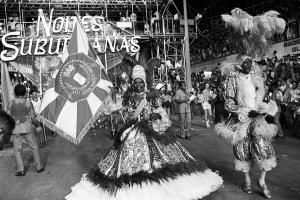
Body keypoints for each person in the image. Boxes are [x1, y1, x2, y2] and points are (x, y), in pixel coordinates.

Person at [65, 65, 223, 200]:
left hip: (152, 132)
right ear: (133, 83)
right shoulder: (127, 98)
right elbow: (111, 110)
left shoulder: (152, 97)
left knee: (164, 164)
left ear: (144, 83)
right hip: (131, 134)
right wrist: (109, 96)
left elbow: (162, 114)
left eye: (141, 82)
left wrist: (157, 115)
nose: (138, 85)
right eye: (136, 82)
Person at [215, 57, 278, 199]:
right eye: (245, 62)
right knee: (243, 151)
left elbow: (259, 99)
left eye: (250, 62)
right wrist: (245, 111)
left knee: (264, 148)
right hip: (242, 120)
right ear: (239, 64)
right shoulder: (233, 79)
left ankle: (261, 180)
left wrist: (264, 108)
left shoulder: (256, 79)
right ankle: (247, 182)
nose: (248, 65)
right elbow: (228, 103)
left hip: (257, 120)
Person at [7, 84, 45, 176]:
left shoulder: (11, 103)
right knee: (34, 147)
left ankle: (20, 170)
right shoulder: (28, 102)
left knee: (17, 150)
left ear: (15, 93)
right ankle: (39, 167)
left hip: (16, 129)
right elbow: (33, 116)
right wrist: (37, 126)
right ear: (25, 93)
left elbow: (8, 117)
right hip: (28, 128)